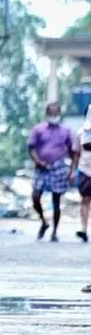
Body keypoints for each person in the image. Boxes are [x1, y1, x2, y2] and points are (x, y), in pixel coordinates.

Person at [28, 103, 77, 242]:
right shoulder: (38, 129)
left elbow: (73, 152)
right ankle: (43, 221)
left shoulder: (66, 131)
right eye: (51, 113)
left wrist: (72, 171)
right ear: (47, 114)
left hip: (58, 167)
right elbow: (31, 149)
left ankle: (55, 231)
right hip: (41, 167)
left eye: (56, 113)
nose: (54, 116)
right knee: (35, 196)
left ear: (59, 114)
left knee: (56, 201)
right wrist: (38, 161)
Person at [73, 104, 91, 243]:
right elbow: (76, 154)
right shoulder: (81, 133)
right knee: (85, 200)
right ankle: (84, 229)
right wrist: (73, 171)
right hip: (85, 169)